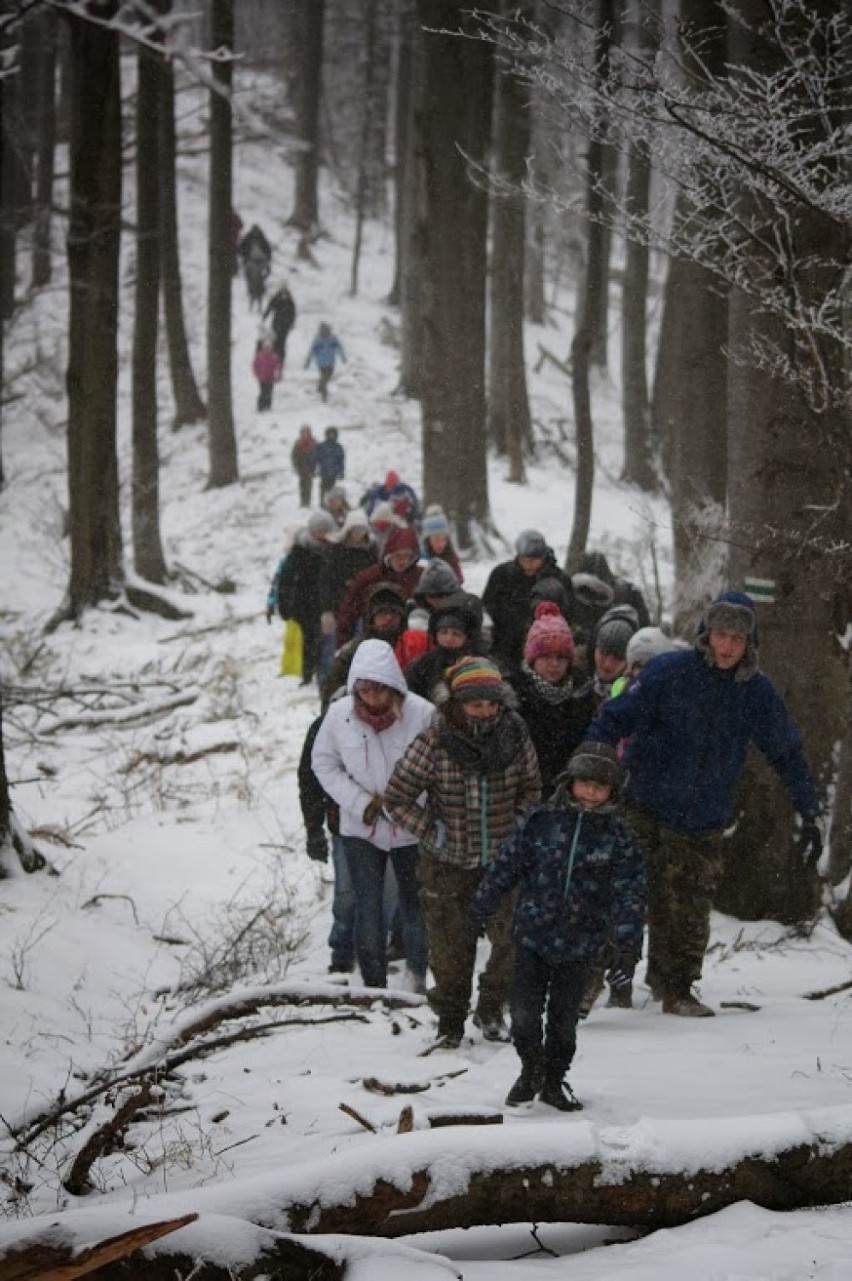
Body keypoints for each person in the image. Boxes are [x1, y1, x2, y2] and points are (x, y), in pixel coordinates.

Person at [587, 591, 822, 1017]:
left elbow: (785, 750)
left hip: (703, 816)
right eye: (720, 635)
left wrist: (809, 807)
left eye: (737, 637)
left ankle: (676, 989)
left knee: (689, 908)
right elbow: (614, 717)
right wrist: (591, 767)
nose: (728, 645)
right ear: (706, 634)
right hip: (644, 800)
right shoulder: (669, 672)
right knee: (619, 894)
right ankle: (587, 984)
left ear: (750, 642)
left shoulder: (756, 692)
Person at [471, 742, 646, 1111]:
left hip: (581, 945)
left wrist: (627, 948)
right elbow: (507, 865)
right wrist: (481, 905)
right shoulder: (541, 822)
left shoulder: (619, 838)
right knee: (522, 1014)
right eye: (585, 783)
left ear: (613, 791)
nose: (592, 792)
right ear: (570, 783)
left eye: (600, 786)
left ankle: (554, 1079)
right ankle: (530, 1069)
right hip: (533, 935)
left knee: (564, 1021)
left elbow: (630, 895)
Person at [384, 656, 541, 1047]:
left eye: (491, 703)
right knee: (451, 950)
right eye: (475, 704)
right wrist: (430, 831)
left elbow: (532, 788)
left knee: (513, 941)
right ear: (457, 703)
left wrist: (519, 825)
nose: (485, 712)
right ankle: (450, 1021)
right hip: (447, 863)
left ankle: (492, 1009)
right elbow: (397, 797)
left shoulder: (516, 734)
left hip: (503, 862)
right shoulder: (436, 738)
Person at [311, 640, 435, 992]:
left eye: (379, 688)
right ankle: (373, 983)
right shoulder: (339, 716)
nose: (372, 697)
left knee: (415, 904)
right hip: (360, 829)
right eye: (364, 689)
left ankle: (416, 975)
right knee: (369, 904)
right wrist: (360, 802)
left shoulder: (422, 714)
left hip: (411, 828)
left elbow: (438, 766)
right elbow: (323, 763)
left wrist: (410, 803)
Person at [508, 602, 595, 797]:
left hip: (571, 793)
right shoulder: (514, 696)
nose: (554, 664)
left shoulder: (583, 693)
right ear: (533, 659)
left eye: (561, 657)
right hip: (524, 792)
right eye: (546, 657)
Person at [482, 530, 574, 674]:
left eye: (534, 560)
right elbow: (487, 607)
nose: (529, 564)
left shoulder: (559, 580)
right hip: (505, 645)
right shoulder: (501, 575)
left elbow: (569, 615)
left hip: (544, 648)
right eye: (524, 559)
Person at [321, 580, 410, 711]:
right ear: (371, 617)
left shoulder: (412, 646)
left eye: (394, 613)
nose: (388, 618)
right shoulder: (354, 650)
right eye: (382, 613)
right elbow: (332, 690)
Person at [335, 525, 422, 648]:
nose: (402, 561)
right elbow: (348, 611)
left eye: (408, 556)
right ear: (389, 555)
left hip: (410, 646)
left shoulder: (420, 578)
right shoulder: (370, 577)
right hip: (372, 642)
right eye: (398, 556)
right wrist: (343, 643)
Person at [276, 510, 336, 685]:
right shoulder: (299, 550)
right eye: (319, 531)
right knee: (309, 640)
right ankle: (307, 674)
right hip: (304, 604)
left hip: (326, 603)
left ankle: (323, 673)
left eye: (325, 531)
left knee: (325, 641)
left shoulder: (333, 550)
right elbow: (285, 580)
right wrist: (284, 605)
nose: (322, 535)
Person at [405, 593, 485, 703]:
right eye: (443, 632)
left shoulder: (480, 664)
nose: (449, 638)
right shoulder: (423, 665)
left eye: (456, 634)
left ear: (467, 638)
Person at [589, 604, 642, 703]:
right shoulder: (575, 693)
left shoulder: (636, 701)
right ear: (595, 648)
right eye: (604, 653)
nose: (608, 664)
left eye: (618, 657)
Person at [305, 322, 346, 402]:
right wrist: (308, 361)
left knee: (324, 377)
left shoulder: (332, 339)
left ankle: (321, 388)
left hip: (328, 363)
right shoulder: (319, 340)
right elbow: (312, 351)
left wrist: (343, 357)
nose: (325, 333)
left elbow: (339, 348)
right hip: (323, 363)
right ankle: (324, 393)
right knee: (324, 378)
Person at [420, 505, 463, 582]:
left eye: (444, 539)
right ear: (428, 540)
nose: (441, 544)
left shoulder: (451, 557)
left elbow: (459, 580)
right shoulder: (420, 560)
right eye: (436, 539)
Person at [238, 224, 272, 311]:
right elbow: (241, 249)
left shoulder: (262, 240)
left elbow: (268, 250)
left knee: (259, 281)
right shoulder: (248, 239)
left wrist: (268, 262)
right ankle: (252, 297)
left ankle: (259, 298)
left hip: (261, 262)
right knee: (251, 280)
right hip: (251, 261)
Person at [263, 281, 297, 361]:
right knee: (275, 340)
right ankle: (274, 357)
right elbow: (269, 307)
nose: (284, 296)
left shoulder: (290, 302)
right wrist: (265, 316)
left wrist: (292, 323)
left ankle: (281, 358)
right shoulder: (276, 299)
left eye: (285, 294)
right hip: (276, 323)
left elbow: (293, 313)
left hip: (285, 325)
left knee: (282, 342)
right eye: (282, 294)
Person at [251, 332, 282, 413]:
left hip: (270, 377)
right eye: (266, 348)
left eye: (269, 348)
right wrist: (257, 374)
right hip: (262, 378)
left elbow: (278, 367)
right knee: (262, 392)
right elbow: (255, 366)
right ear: (263, 348)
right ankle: (260, 407)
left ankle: (268, 406)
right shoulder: (260, 356)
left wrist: (278, 375)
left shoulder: (274, 357)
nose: (267, 349)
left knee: (269, 392)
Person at [314, 427, 346, 502]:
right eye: (330, 434)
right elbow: (316, 458)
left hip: (334, 473)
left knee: (331, 490)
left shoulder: (338, 447)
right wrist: (315, 468)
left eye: (333, 434)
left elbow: (341, 461)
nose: (331, 436)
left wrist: (341, 472)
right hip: (324, 471)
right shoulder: (321, 446)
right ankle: (322, 502)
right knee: (323, 489)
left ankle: (330, 503)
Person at [291, 425, 318, 508]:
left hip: (311, 468)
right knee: (302, 485)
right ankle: (303, 502)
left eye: (306, 432)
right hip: (301, 468)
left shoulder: (314, 443)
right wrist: (295, 466)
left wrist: (317, 466)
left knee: (309, 485)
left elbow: (318, 455)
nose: (305, 434)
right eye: (303, 432)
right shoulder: (298, 443)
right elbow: (294, 455)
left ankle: (308, 502)